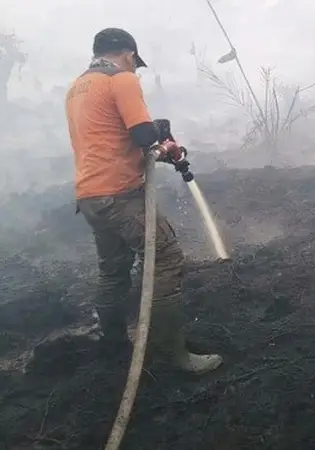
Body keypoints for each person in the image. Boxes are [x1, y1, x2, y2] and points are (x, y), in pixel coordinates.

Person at [64, 28, 223, 374]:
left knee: (113, 269)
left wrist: (157, 142)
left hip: (90, 196)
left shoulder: (77, 88)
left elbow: (112, 138)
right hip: (120, 194)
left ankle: (114, 348)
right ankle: (174, 355)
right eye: (135, 64)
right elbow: (141, 135)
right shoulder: (121, 80)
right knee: (165, 257)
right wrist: (160, 139)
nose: (135, 70)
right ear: (129, 55)